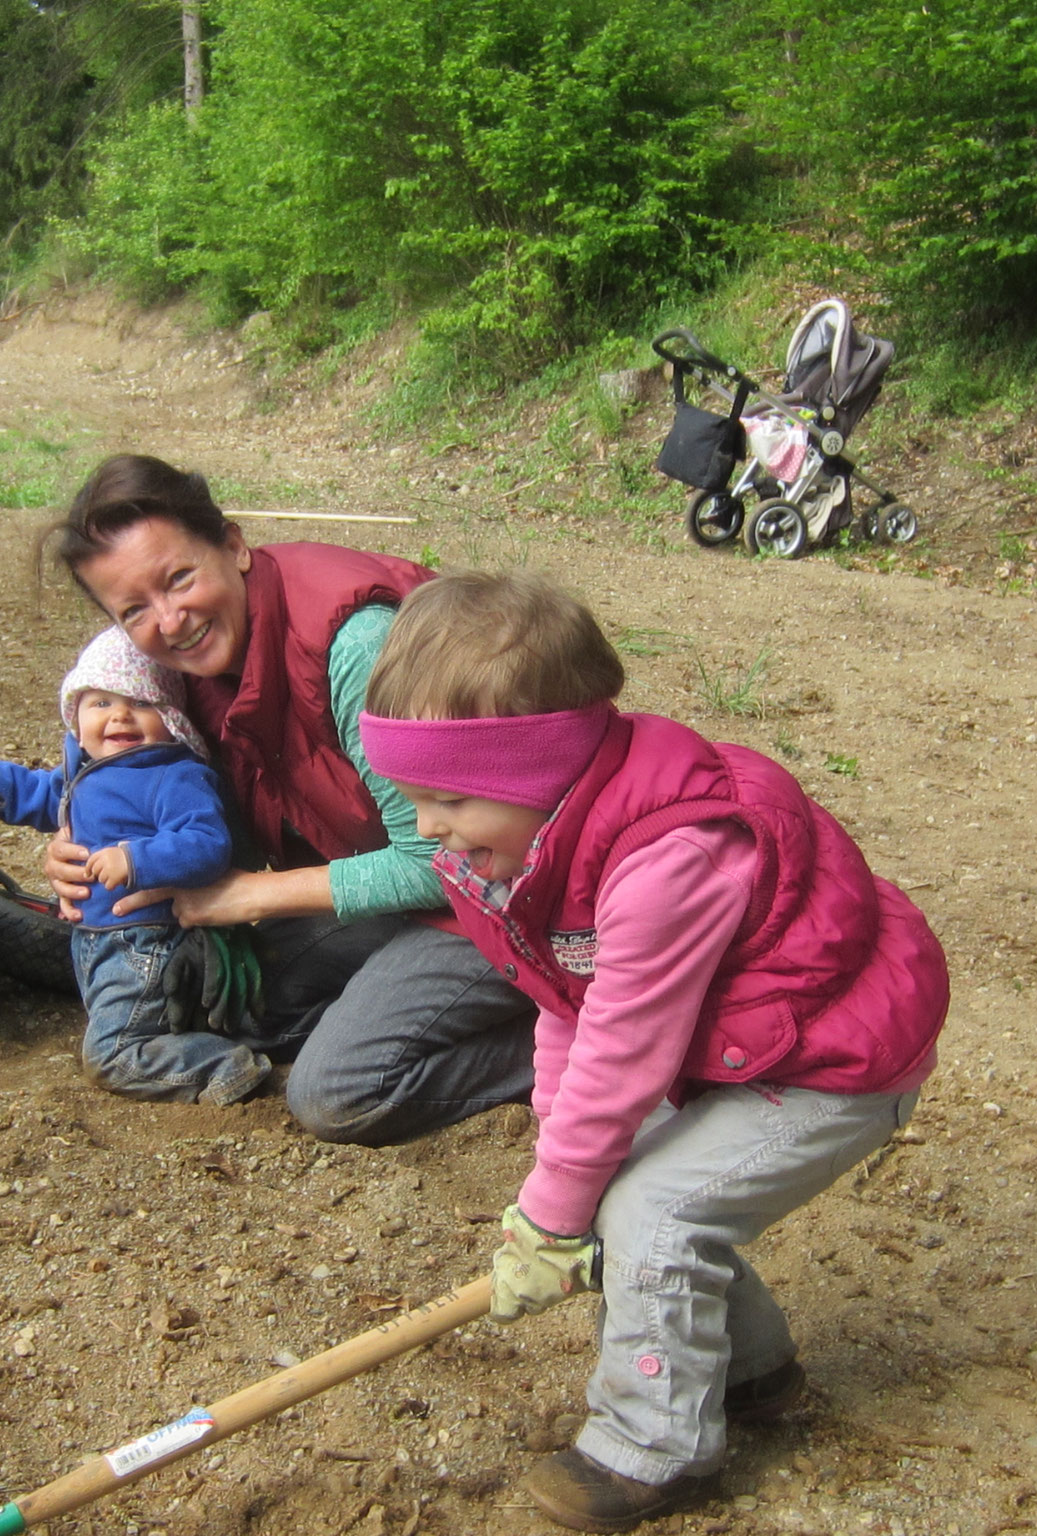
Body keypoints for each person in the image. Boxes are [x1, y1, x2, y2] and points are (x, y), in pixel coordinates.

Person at [355, 571, 949, 1533]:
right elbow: (562, 995)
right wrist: (561, 1153)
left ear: (534, 772)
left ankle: (651, 1449)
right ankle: (752, 1375)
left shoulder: (669, 856)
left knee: (655, 1207)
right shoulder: (514, 850)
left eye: (449, 797)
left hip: (835, 1061)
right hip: (747, 1046)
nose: (427, 827)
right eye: (413, 797)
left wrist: (554, 1212)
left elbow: (627, 1046)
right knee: (628, 1178)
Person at [39, 453, 535, 1145]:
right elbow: (132, 775)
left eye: (179, 577)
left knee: (334, 1091)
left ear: (235, 545)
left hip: (513, 892)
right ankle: (391, 1004)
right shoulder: (185, 670)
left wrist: (255, 897)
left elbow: (443, 863)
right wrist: (78, 847)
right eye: (134, 610)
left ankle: (566, 1035)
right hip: (397, 885)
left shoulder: (354, 648)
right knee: (217, 1006)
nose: (170, 618)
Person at [0, 626, 270, 1106]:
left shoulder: (173, 775)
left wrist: (135, 858)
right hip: (97, 938)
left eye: (140, 703)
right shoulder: (86, 771)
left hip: (144, 941)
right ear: (76, 718)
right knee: (115, 1014)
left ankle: (223, 1064)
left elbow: (206, 843)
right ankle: (167, 1030)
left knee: (113, 1054)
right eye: (100, 703)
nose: (120, 714)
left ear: (172, 721)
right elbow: (37, 796)